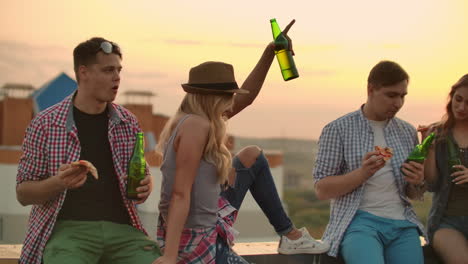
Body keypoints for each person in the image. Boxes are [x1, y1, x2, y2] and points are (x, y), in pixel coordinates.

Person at [153, 23, 329, 264]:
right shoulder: (196, 126)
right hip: (194, 239)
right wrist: (170, 256)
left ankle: (290, 235)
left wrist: (270, 53)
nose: (231, 102)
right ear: (213, 99)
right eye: (228, 97)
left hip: (207, 221)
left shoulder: (195, 119)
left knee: (252, 155)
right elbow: (179, 194)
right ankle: (289, 235)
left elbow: (247, 98)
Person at [16, 37, 161, 264]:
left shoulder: (128, 122)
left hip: (123, 230)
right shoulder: (45, 124)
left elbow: (143, 175)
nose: (117, 78)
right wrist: (60, 182)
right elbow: (23, 193)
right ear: (83, 73)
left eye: (119, 70)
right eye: (108, 70)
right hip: (69, 232)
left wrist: (146, 185)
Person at [313, 60, 426, 264]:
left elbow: (412, 194)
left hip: (403, 224)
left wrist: (417, 181)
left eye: (402, 96)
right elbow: (322, 189)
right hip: (359, 222)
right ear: (371, 89)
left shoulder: (407, 131)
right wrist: (362, 173)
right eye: (391, 95)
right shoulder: (337, 129)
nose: (398, 103)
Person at [421, 74, 468, 264]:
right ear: (451, 97)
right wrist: (429, 149)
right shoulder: (438, 133)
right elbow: (432, 184)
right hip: (447, 221)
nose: (462, 107)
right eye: (458, 99)